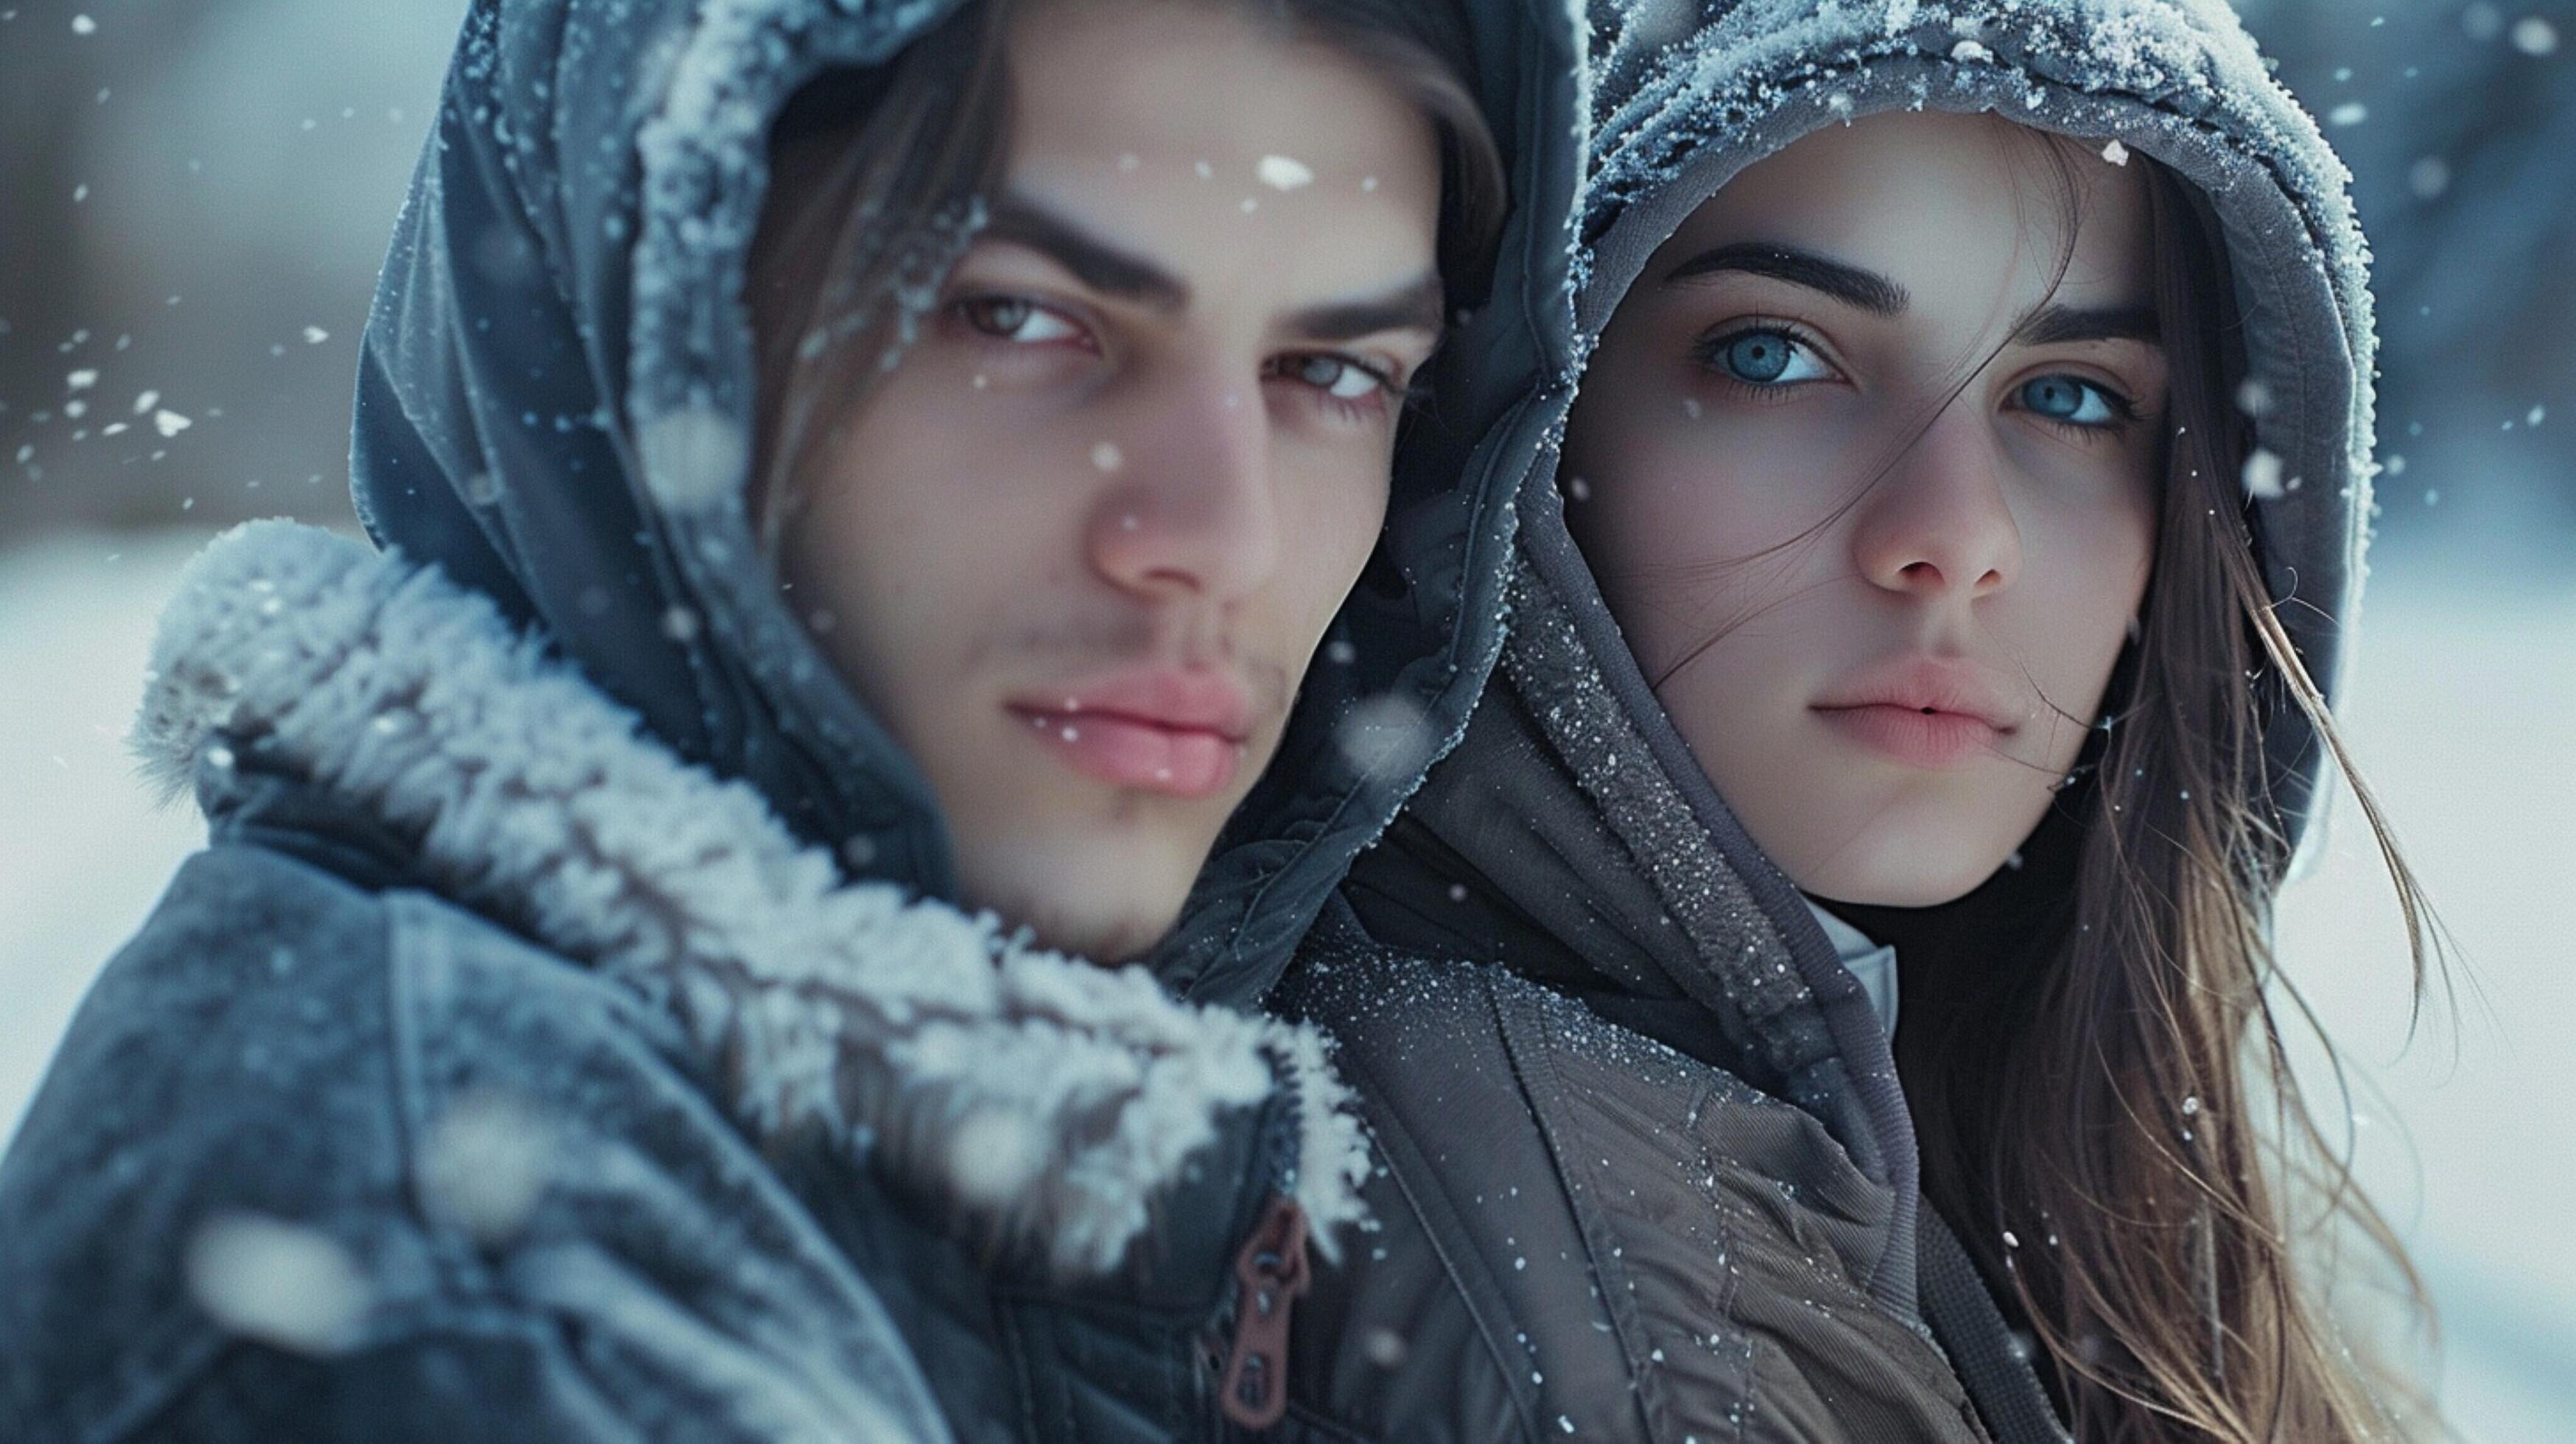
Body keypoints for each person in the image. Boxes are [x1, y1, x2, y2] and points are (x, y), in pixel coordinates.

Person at [0, 0, 1583, 1437]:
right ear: (652, 321)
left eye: (1336, 370)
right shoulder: (463, 1297)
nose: (1222, 535)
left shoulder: (1075, 1142)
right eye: (1020, 318)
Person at [1273, 2, 2440, 1440]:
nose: (1954, 535)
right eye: (1772, 354)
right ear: (1537, 436)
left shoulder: (2029, 1131)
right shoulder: (1632, 1343)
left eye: (2071, 396)